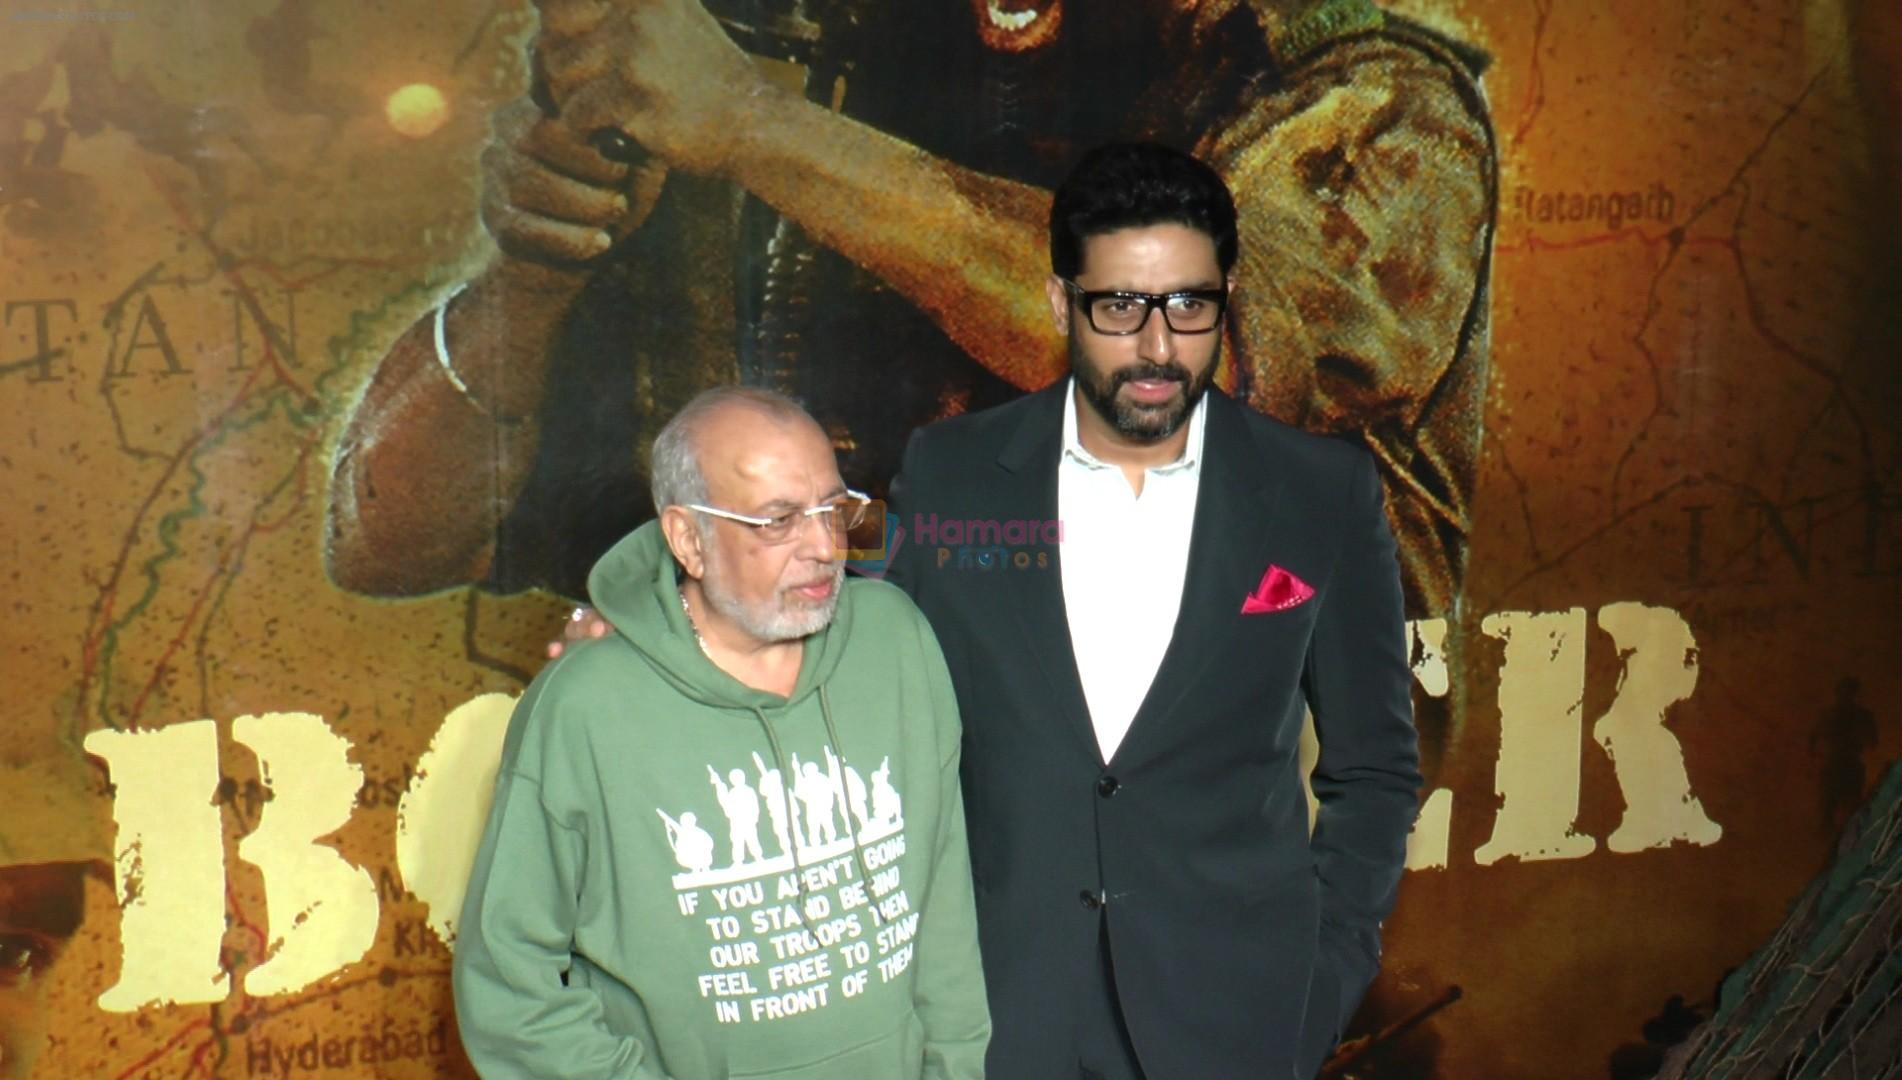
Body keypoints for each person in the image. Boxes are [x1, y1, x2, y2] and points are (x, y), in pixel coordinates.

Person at [324, 0, 1494, 621]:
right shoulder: (846, 74)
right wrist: (541, 265)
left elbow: (1179, 368)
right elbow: (395, 537)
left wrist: (749, 123)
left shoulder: (1353, 77)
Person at [884, 142, 1422, 1079]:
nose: (1158, 347)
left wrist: (1323, 980)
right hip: (1003, 1021)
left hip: (1236, 1025)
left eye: (1189, 305)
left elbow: (1374, 769)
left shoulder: (1319, 493)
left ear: (1225, 298)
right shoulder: (953, 475)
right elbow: (860, 701)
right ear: (1062, 303)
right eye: (1120, 307)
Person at [452, 387, 989, 1078]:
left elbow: (942, 912)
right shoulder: (586, 707)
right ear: (687, 539)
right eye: (778, 521)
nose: (824, 546)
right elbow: (508, 986)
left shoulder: (897, 641)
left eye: (833, 508)